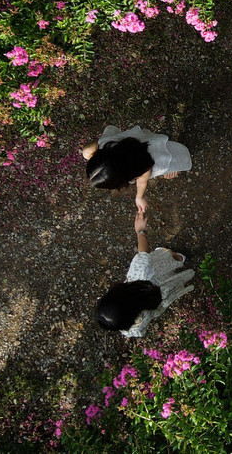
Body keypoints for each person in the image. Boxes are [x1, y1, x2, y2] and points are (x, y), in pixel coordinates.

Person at [95, 209, 195, 338]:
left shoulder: (134, 329)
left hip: (165, 292)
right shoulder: (138, 275)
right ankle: (179, 258)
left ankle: (180, 265)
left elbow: (140, 330)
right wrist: (140, 232)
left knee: (175, 278)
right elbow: (144, 255)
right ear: (115, 292)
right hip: (158, 269)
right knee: (169, 258)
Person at [82, 124, 192, 213]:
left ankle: (172, 162)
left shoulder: (141, 166)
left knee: (173, 160)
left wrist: (139, 197)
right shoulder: (106, 143)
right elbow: (89, 151)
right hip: (141, 140)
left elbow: (142, 182)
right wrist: (88, 153)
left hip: (156, 154)